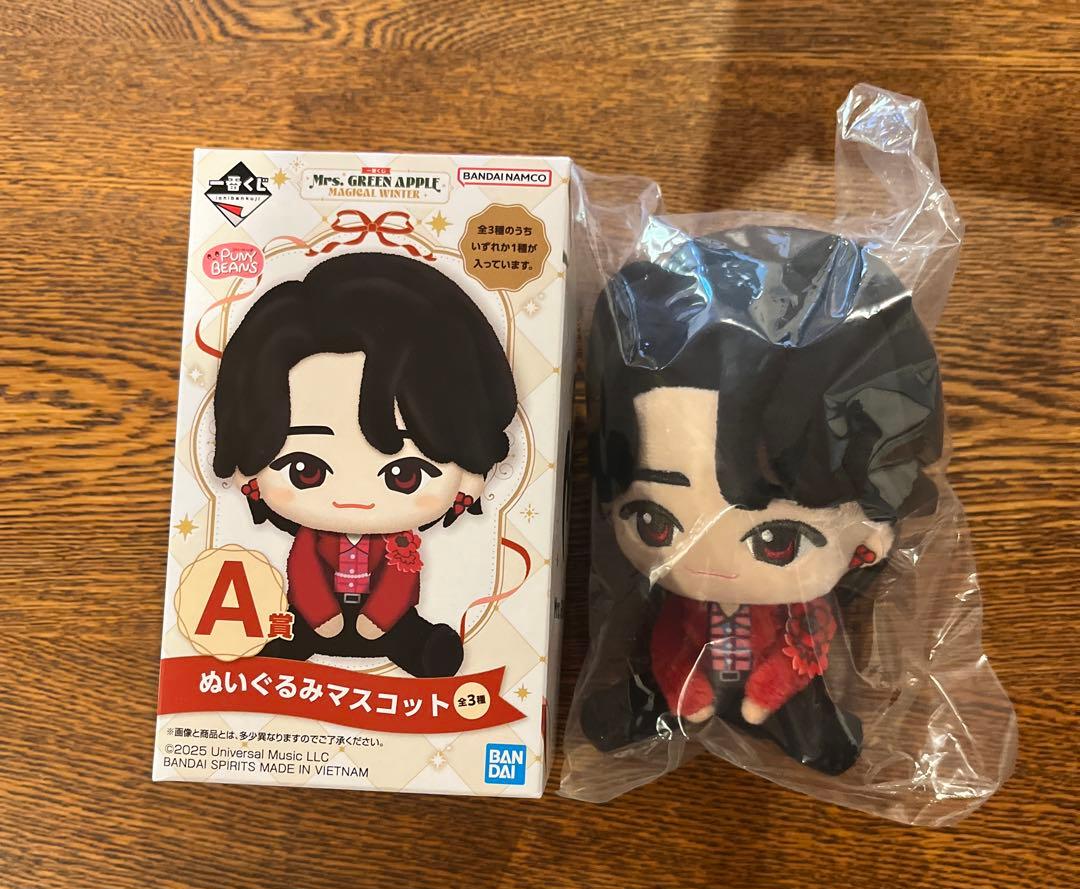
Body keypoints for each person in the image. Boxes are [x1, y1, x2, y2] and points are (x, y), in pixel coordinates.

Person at [581, 226, 944, 773]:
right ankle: (660, 704)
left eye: (777, 540)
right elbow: (668, 643)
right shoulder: (678, 602)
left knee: (804, 704)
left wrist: (765, 695)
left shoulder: (803, 615)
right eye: (655, 522)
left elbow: (803, 654)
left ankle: (799, 725)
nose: (712, 564)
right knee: (658, 671)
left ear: (873, 533)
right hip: (687, 677)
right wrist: (686, 689)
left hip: (775, 685)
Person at [212, 252, 516, 677]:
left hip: (386, 621)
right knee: (291, 635)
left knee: (410, 637)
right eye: (306, 471)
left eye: (404, 475)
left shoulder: (400, 544)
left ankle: (422, 650)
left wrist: (379, 618)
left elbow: (399, 581)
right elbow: (304, 571)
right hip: (316, 617)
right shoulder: (312, 540)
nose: (352, 499)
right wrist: (322, 615)